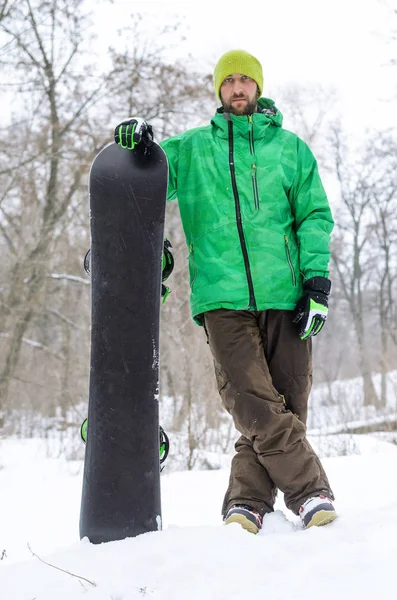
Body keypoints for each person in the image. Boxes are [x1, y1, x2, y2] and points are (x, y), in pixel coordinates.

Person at [114, 49, 337, 534]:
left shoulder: (291, 149)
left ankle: (247, 503)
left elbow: (314, 217)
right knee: (253, 401)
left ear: (258, 87)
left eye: (246, 80)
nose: (238, 88)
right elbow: (144, 170)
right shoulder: (193, 149)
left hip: (286, 294)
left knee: (287, 403)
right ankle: (309, 491)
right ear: (218, 90)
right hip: (221, 298)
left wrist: (316, 284)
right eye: (229, 80)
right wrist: (137, 142)